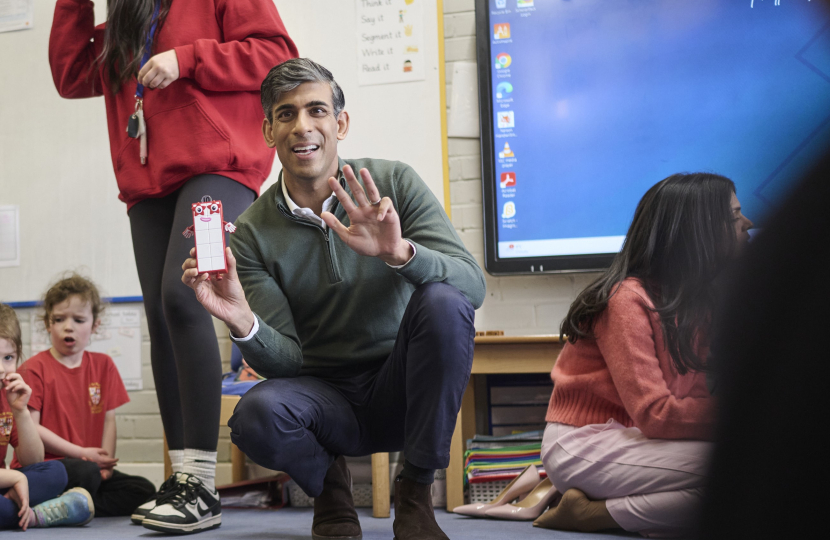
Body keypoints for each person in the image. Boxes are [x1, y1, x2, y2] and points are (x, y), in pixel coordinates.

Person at [182, 58, 486, 540]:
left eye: (316, 110)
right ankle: (332, 491)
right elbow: (287, 362)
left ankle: (415, 496)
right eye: (286, 114)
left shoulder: (395, 184)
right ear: (268, 130)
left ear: (339, 123)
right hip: (325, 399)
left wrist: (400, 253)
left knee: (445, 303)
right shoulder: (252, 233)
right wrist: (242, 320)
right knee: (257, 417)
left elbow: (473, 287)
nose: (302, 126)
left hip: (402, 385)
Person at [48, 0, 298, 531]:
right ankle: (185, 477)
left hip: (219, 172)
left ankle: (200, 485)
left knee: (187, 296)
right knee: (162, 315)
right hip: (147, 183)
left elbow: (275, 55)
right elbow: (71, 76)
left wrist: (187, 59)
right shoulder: (126, 16)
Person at [534, 173, 753, 538]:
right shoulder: (626, 300)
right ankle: (597, 515)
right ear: (699, 230)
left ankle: (593, 510)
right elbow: (655, 414)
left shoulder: (694, 303)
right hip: (582, 443)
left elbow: (691, 399)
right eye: (735, 216)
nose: (747, 224)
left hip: (638, 439)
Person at [15, 275, 155, 523]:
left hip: (87, 467)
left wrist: (106, 464)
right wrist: (82, 453)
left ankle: (69, 507)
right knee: (86, 471)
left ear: (94, 325)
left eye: (78, 320)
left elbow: (109, 420)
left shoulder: (104, 365)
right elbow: (33, 428)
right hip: (49, 467)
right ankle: (64, 503)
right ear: (48, 324)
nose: (68, 327)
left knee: (143, 490)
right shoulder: (33, 369)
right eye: (59, 320)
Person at [1, 303, 94, 530]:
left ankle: (11, 508)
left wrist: (21, 412)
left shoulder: (6, 396)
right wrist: (16, 479)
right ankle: (35, 516)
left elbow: (33, 461)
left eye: (8, 357)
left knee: (55, 472)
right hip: (7, 480)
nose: (1, 369)